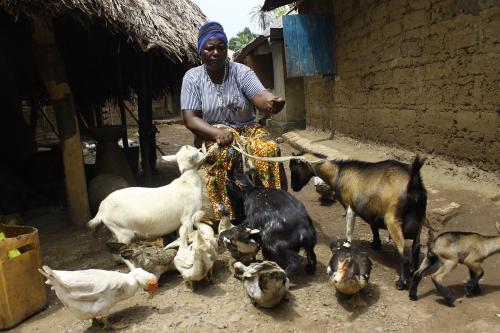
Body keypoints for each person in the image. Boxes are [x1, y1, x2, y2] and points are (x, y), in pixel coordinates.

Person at [181, 21, 286, 219]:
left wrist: (271, 102)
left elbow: (260, 96)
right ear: (200, 51)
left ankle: (274, 208)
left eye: (221, 48)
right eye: (209, 48)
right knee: (224, 156)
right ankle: (227, 215)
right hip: (213, 132)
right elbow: (190, 119)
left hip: (248, 129)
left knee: (268, 149)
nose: (215, 52)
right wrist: (217, 133)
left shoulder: (241, 72)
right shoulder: (192, 78)